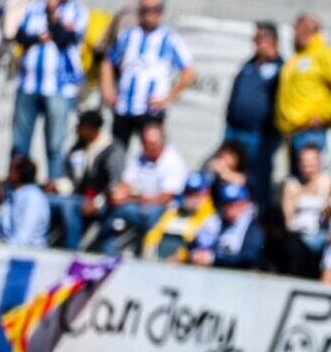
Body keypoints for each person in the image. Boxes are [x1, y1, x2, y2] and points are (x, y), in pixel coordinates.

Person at [11, 0, 89, 181]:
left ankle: (52, 192)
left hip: (59, 88)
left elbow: (65, 40)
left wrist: (53, 16)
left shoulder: (79, 12)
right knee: (20, 144)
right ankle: (15, 189)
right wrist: (41, 37)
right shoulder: (35, 6)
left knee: (54, 144)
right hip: (28, 83)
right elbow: (20, 36)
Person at [101, 0, 196, 146]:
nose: (152, 14)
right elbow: (108, 62)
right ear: (140, 12)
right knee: (116, 152)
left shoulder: (170, 39)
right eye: (147, 10)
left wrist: (169, 97)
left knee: (153, 151)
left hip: (151, 109)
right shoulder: (128, 36)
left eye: (156, 10)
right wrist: (108, 90)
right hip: (124, 106)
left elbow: (189, 71)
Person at [92, 122, 187, 254]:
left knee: (145, 213)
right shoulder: (141, 157)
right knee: (108, 206)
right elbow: (126, 181)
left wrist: (130, 198)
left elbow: (165, 198)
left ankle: (142, 251)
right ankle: (107, 251)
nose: (148, 147)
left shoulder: (173, 162)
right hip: (137, 204)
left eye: (152, 144)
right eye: (145, 143)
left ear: (161, 143)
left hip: (163, 208)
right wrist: (118, 194)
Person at [275, 13, 331, 168]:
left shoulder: (322, 54)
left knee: (309, 180)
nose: (295, 32)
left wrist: (322, 115)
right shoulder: (298, 56)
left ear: (310, 29)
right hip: (293, 129)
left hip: (309, 131)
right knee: (295, 182)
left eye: (299, 28)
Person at [224, 21, 282, 208]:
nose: (255, 44)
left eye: (259, 40)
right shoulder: (249, 65)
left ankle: (258, 211)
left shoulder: (281, 68)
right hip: (235, 129)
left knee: (256, 175)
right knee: (229, 171)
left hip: (260, 135)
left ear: (271, 41)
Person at [53, 110, 125, 250]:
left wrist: (97, 203)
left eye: (80, 127)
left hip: (104, 202)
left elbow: (115, 185)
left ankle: (71, 249)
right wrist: (57, 186)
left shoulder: (112, 150)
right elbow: (71, 179)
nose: (77, 131)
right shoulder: (77, 148)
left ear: (91, 129)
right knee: (46, 200)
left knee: (69, 208)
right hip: (78, 197)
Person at [142, 172, 215, 262]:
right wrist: (149, 247)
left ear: (205, 193)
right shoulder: (175, 210)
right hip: (161, 261)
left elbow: (197, 244)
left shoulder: (211, 217)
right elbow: (157, 231)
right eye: (189, 192)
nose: (191, 197)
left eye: (196, 193)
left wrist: (180, 256)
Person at [280, 144, 331, 266]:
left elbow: (329, 217)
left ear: (319, 163)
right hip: (298, 235)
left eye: (311, 164)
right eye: (304, 164)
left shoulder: (327, 182)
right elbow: (288, 220)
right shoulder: (291, 185)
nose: (307, 168)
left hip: (321, 235)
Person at [189, 183, 265, 270]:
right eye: (226, 204)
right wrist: (197, 254)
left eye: (235, 204)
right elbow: (195, 244)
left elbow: (248, 258)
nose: (230, 209)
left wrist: (214, 259)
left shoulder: (252, 228)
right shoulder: (214, 222)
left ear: (245, 203)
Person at [0, 157, 50, 247]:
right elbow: (3, 230)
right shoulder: (13, 194)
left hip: (28, 252)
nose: (7, 173)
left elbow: (24, 237)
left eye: (11, 169)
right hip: (8, 246)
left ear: (18, 174)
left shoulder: (33, 198)